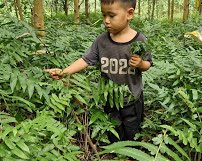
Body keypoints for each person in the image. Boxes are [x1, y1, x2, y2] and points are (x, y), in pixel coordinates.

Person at [46, 0, 152, 143]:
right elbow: (85, 60)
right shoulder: (101, 41)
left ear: (129, 14)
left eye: (111, 15)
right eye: (104, 15)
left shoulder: (139, 40)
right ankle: (116, 154)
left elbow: (148, 64)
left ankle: (132, 158)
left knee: (132, 128)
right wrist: (65, 72)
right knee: (114, 127)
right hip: (109, 98)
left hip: (132, 98)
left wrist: (140, 63)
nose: (106, 21)